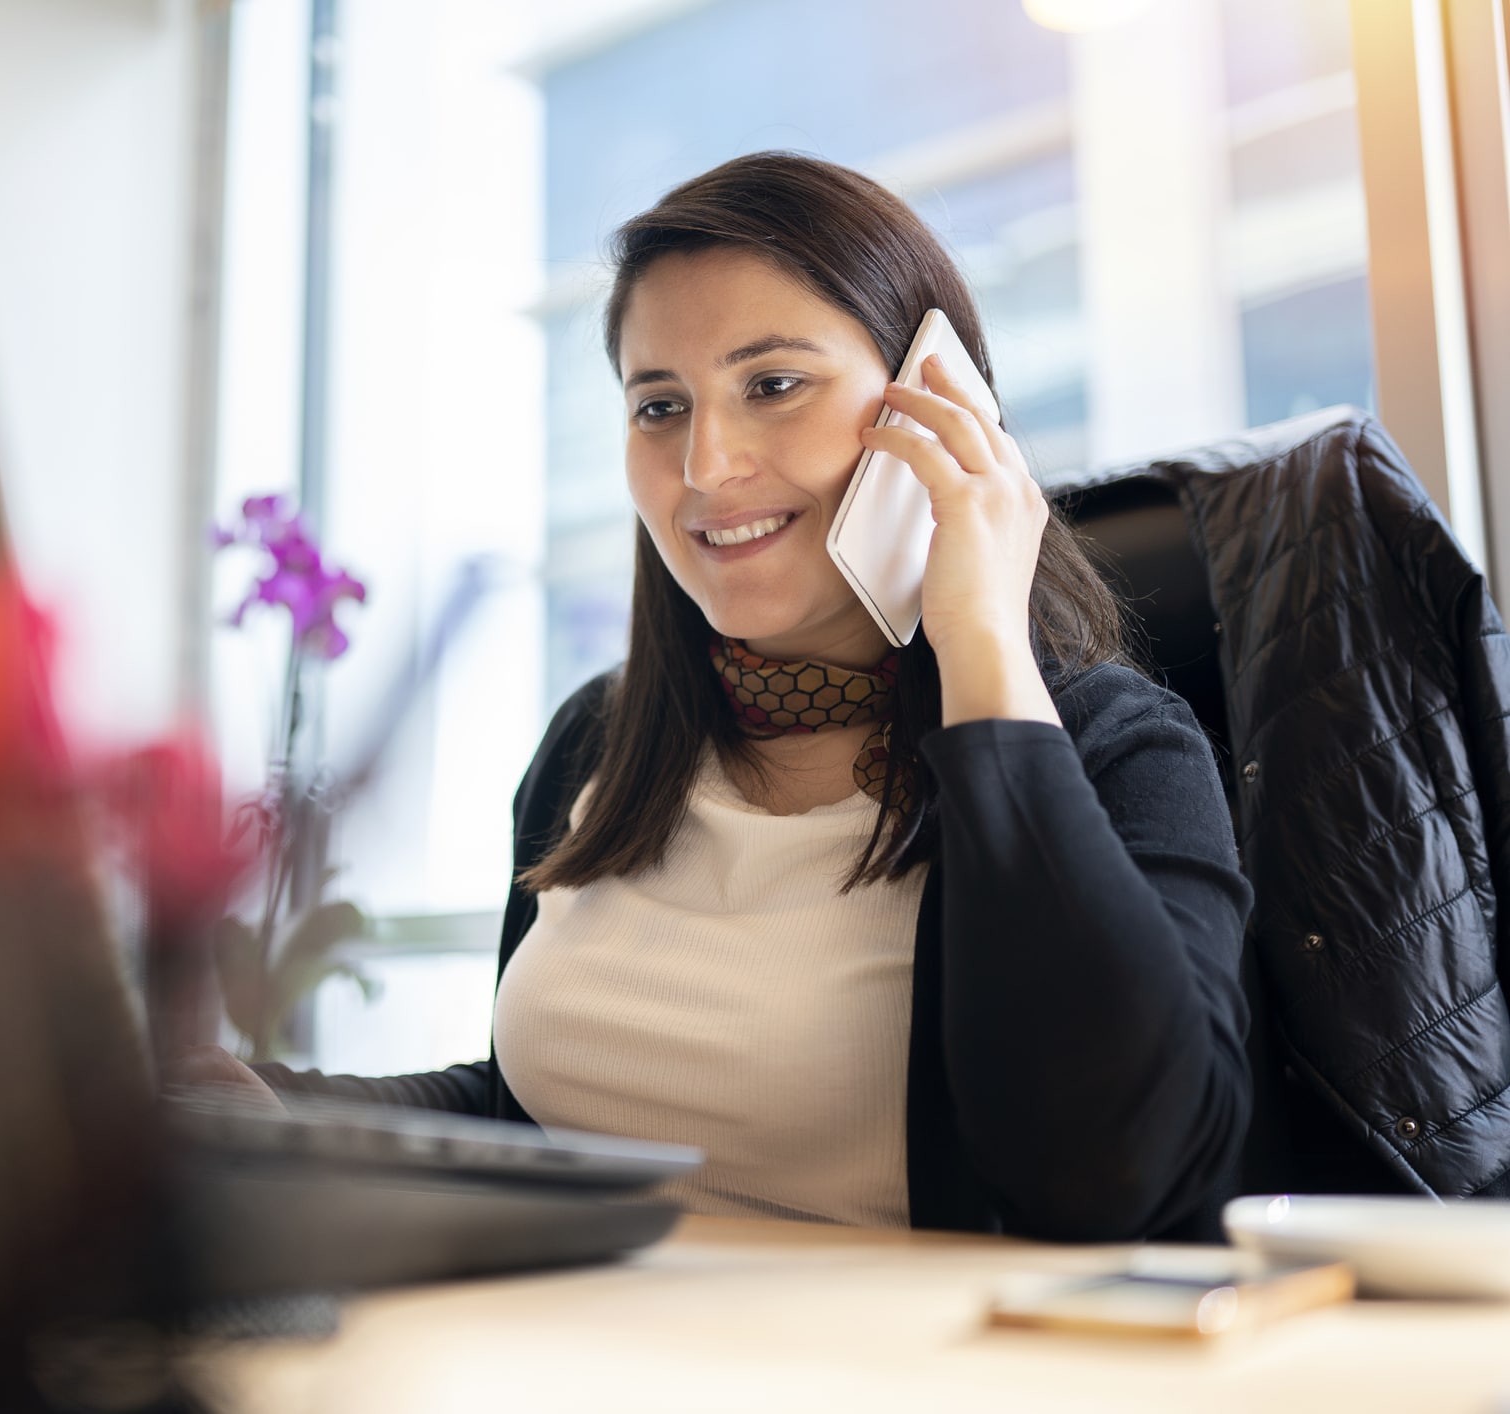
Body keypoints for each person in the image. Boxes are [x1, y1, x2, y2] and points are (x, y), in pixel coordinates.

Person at [184, 152, 1253, 1243]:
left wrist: (977, 641)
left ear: (942, 410)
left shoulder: (1114, 751)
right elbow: (535, 1120)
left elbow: (1120, 1176)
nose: (703, 463)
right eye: (657, 405)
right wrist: (272, 1109)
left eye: (771, 385)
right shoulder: (599, 746)